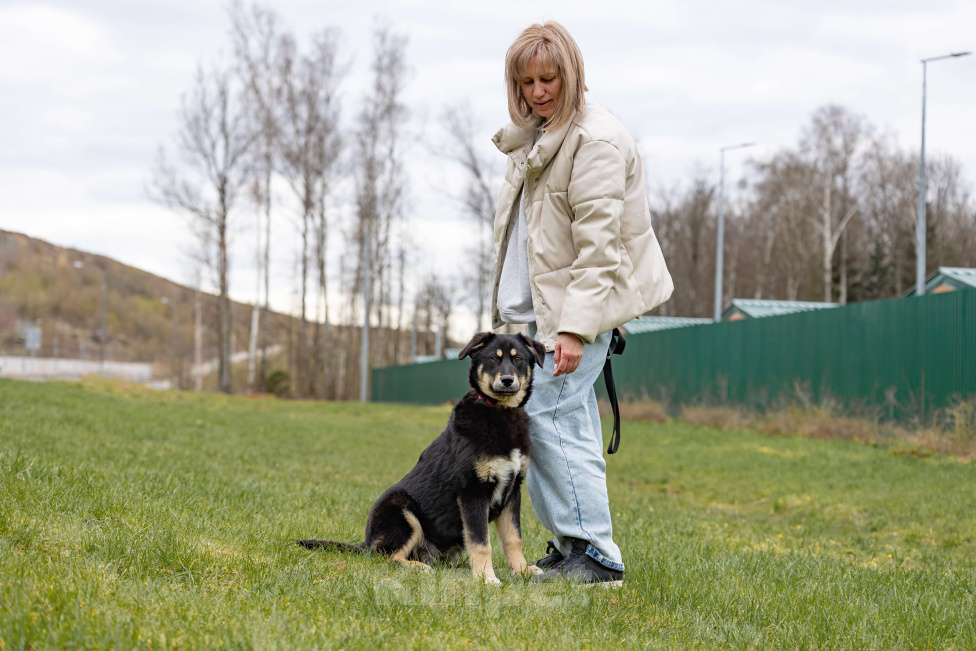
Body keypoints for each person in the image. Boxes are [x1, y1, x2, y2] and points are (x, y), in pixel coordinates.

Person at [491, 21, 673, 586]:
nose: (538, 91)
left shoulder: (594, 141)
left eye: (549, 79)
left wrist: (573, 329)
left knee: (544, 415)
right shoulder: (539, 139)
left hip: (577, 317)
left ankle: (595, 555)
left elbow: (601, 251)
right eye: (526, 83)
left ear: (572, 74)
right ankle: (577, 547)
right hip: (544, 319)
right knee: (565, 425)